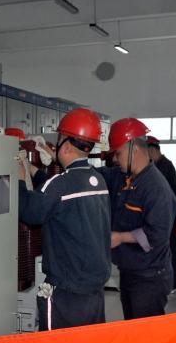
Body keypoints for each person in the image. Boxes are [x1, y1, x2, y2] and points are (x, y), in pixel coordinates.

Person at [18, 108, 112, 328]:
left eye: (59, 140)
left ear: (67, 146)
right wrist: (32, 169)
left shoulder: (60, 185)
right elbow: (57, 196)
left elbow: (29, 212)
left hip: (67, 294)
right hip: (92, 290)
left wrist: (20, 180)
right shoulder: (97, 180)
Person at [98, 118, 176, 320]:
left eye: (118, 153)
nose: (115, 159)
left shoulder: (156, 187)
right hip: (131, 271)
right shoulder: (125, 177)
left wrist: (121, 237)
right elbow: (98, 175)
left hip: (150, 278)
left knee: (145, 333)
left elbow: (156, 235)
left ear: (133, 149)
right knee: (132, 327)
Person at [146, 136, 176, 294]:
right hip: (167, 214)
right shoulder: (159, 165)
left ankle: (175, 284)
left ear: (152, 150)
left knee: (171, 248)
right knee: (163, 248)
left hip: (169, 215)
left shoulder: (164, 167)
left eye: (146, 153)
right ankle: (167, 281)